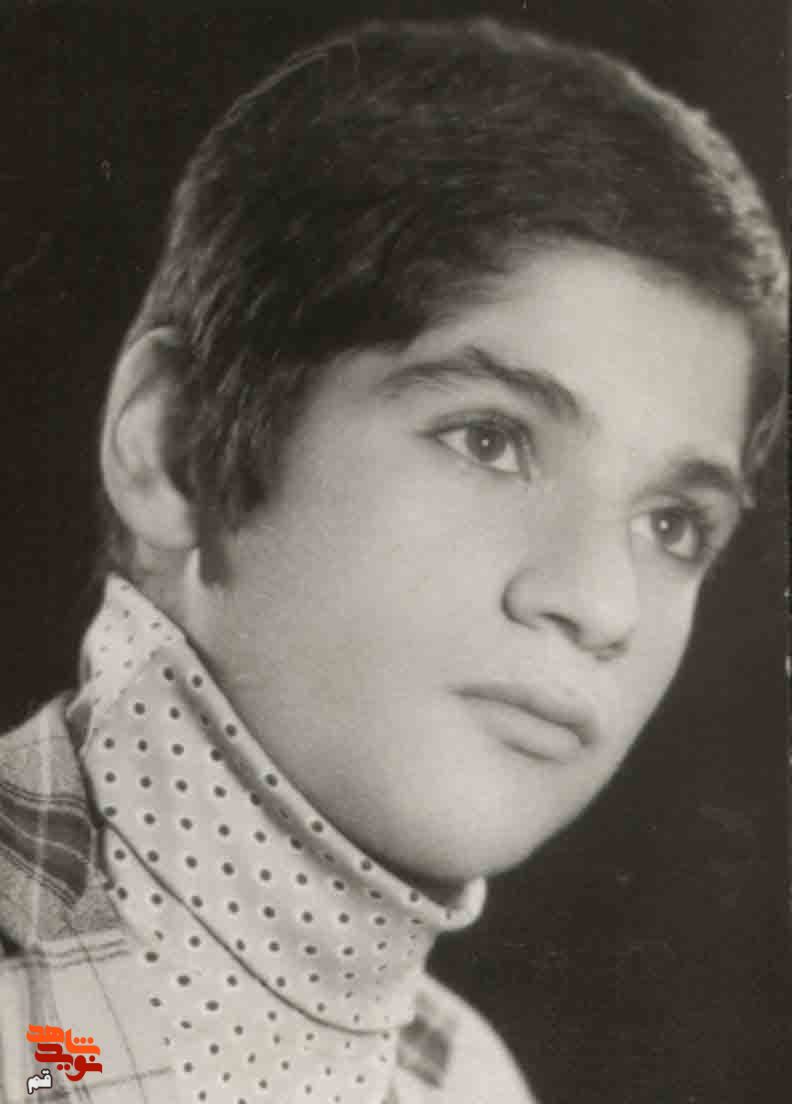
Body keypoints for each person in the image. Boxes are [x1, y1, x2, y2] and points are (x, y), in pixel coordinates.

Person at [0, 17, 785, 1104]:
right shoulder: (36, 1038)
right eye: (490, 440)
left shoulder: (466, 1082)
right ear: (176, 448)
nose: (601, 603)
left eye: (673, 525)